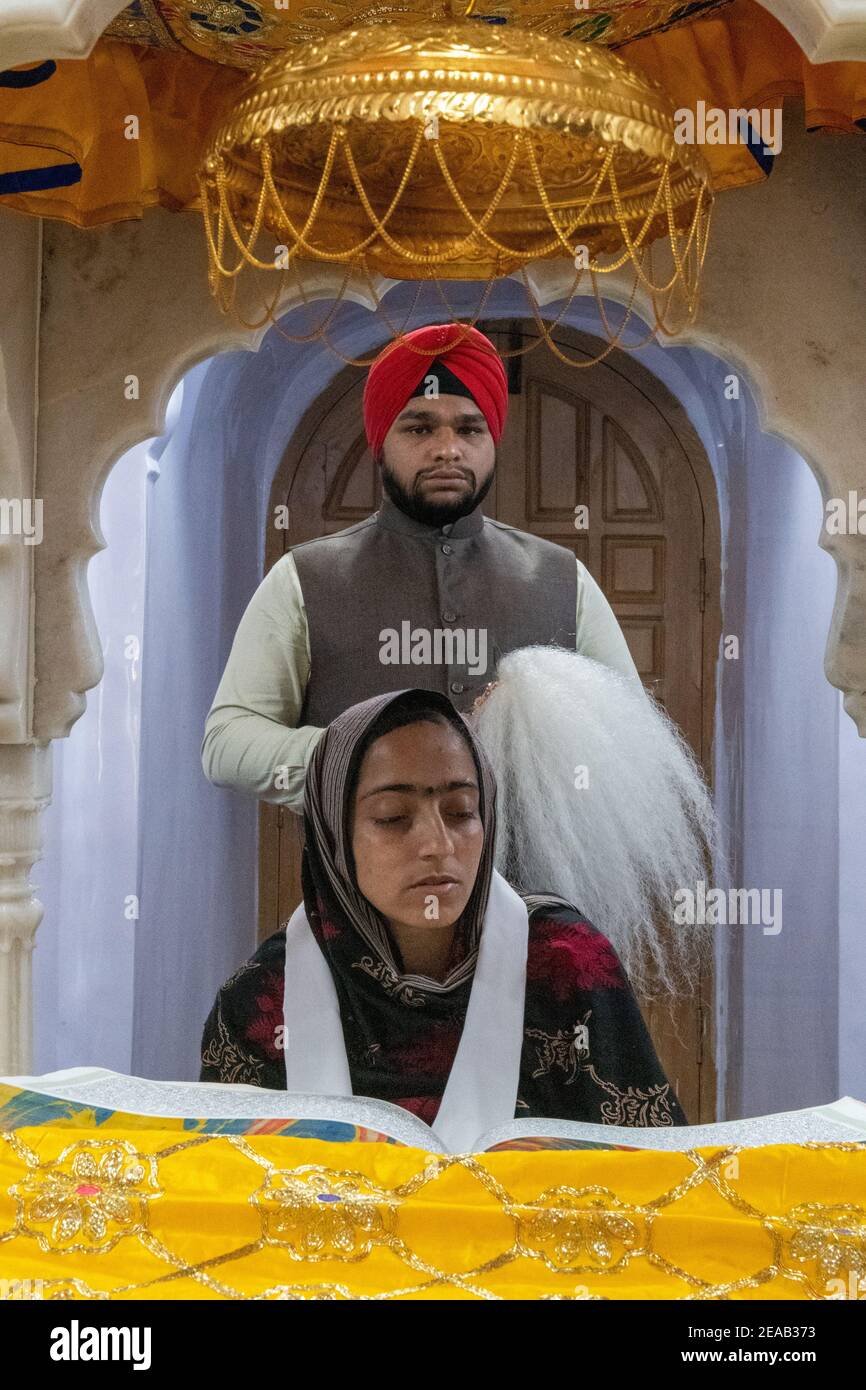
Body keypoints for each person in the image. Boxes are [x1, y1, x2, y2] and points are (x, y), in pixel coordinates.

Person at [201, 688, 687, 1145]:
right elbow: (222, 1199)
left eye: (460, 812)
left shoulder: (565, 963)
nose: (437, 846)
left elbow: (650, 1177)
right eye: (393, 817)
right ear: (334, 834)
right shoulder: (264, 999)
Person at [201, 321, 642, 813]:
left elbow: (633, 742)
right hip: (356, 889)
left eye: (469, 428)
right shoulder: (304, 578)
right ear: (380, 442)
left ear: (492, 441)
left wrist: (533, 732)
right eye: (419, 428)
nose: (448, 449)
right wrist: (370, 756)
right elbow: (227, 743)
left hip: (531, 890)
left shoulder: (562, 579)